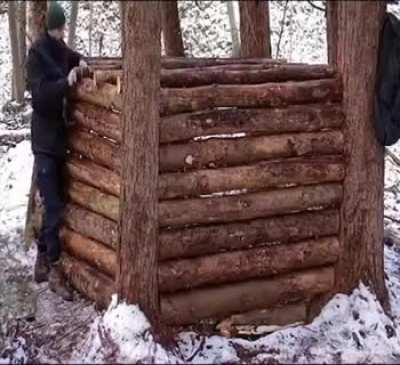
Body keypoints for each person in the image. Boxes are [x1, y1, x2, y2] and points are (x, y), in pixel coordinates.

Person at [26, 2, 88, 300]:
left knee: (56, 202)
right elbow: (39, 96)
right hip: (44, 141)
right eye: (60, 27)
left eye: (64, 28)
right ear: (50, 27)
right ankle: (53, 267)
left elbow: (75, 57)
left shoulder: (60, 48)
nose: (63, 32)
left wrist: (83, 65)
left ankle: (40, 260)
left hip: (59, 140)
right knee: (52, 205)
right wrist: (66, 82)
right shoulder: (37, 54)